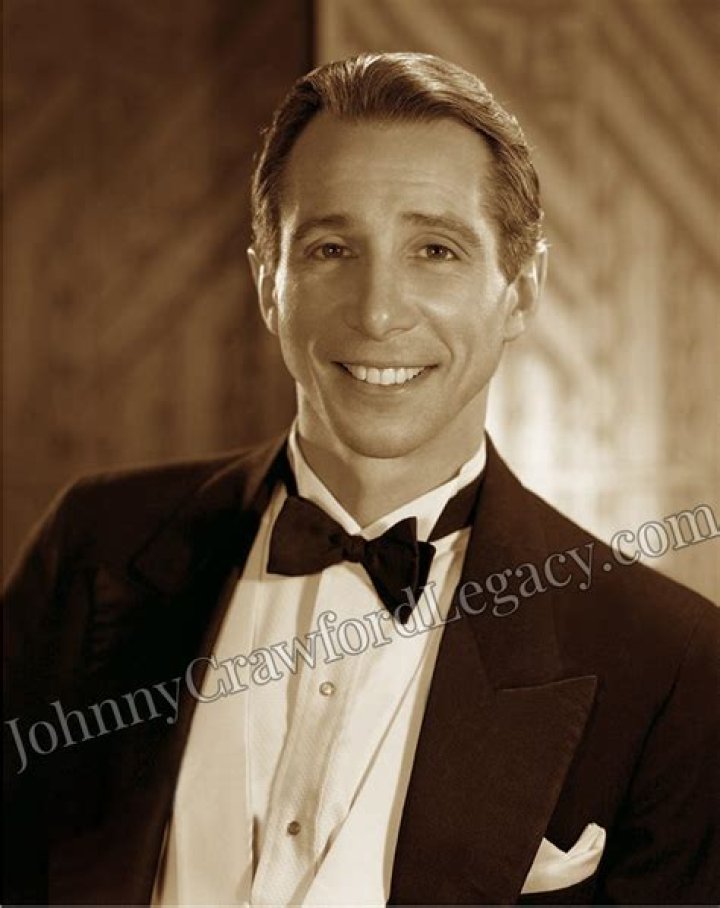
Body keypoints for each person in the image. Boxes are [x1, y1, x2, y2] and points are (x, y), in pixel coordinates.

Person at [3, 52, 718, 906]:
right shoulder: (93, 549)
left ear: (521, 291)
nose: (378, 313)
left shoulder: (672, 663)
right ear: (268, 284)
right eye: (331, 248)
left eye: (436, 250)